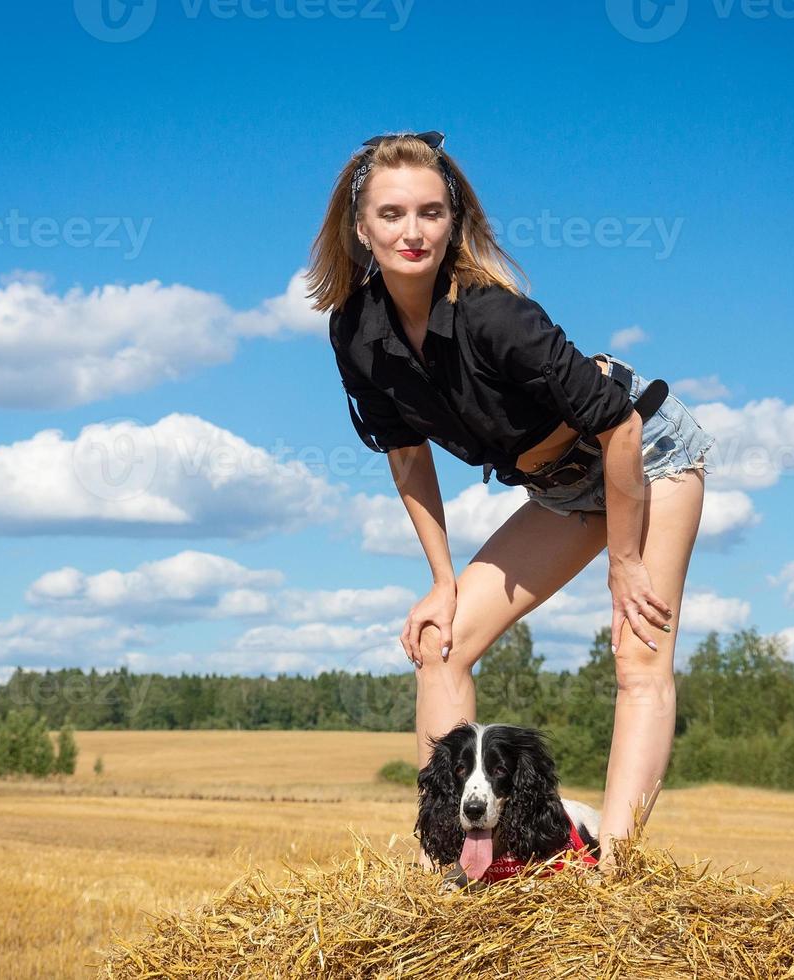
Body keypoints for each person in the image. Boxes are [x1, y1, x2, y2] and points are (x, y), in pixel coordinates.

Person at [305, 131, 717, 874]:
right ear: (361, 226)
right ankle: (449, 870)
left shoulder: (493, 315)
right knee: (443, 643)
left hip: (646, 456)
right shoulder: (355, 330)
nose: (413, 231)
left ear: (452, 222)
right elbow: (405, 450)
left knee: (638, 654)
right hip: (562, 489)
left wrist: (624, 562)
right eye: (392, 214)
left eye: (431, 212)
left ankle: (613, 874)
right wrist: (441, 580)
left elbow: (618, 423)